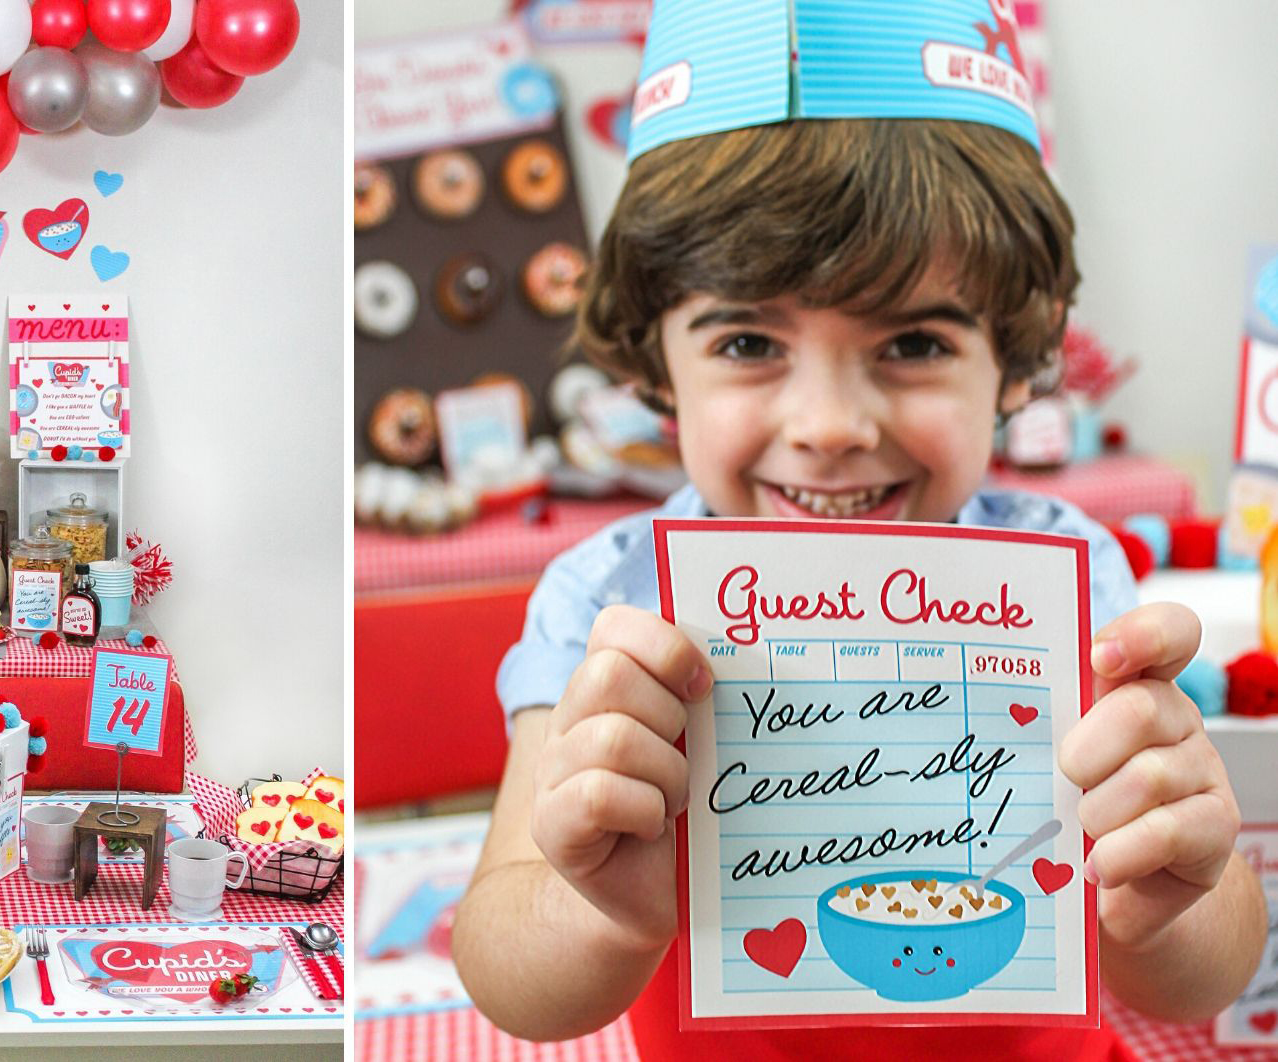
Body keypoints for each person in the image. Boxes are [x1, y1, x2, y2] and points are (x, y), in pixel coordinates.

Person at [450, 6, 1266, 1059]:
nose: (830, 428)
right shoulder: (606, 600)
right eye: (747, 341)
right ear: (655, 360)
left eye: (913, 342)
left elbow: (1205, 975)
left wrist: (1171, 891)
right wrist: (596, 909)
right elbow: (507, 977)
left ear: (1012, 361)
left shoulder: (1070, 587)